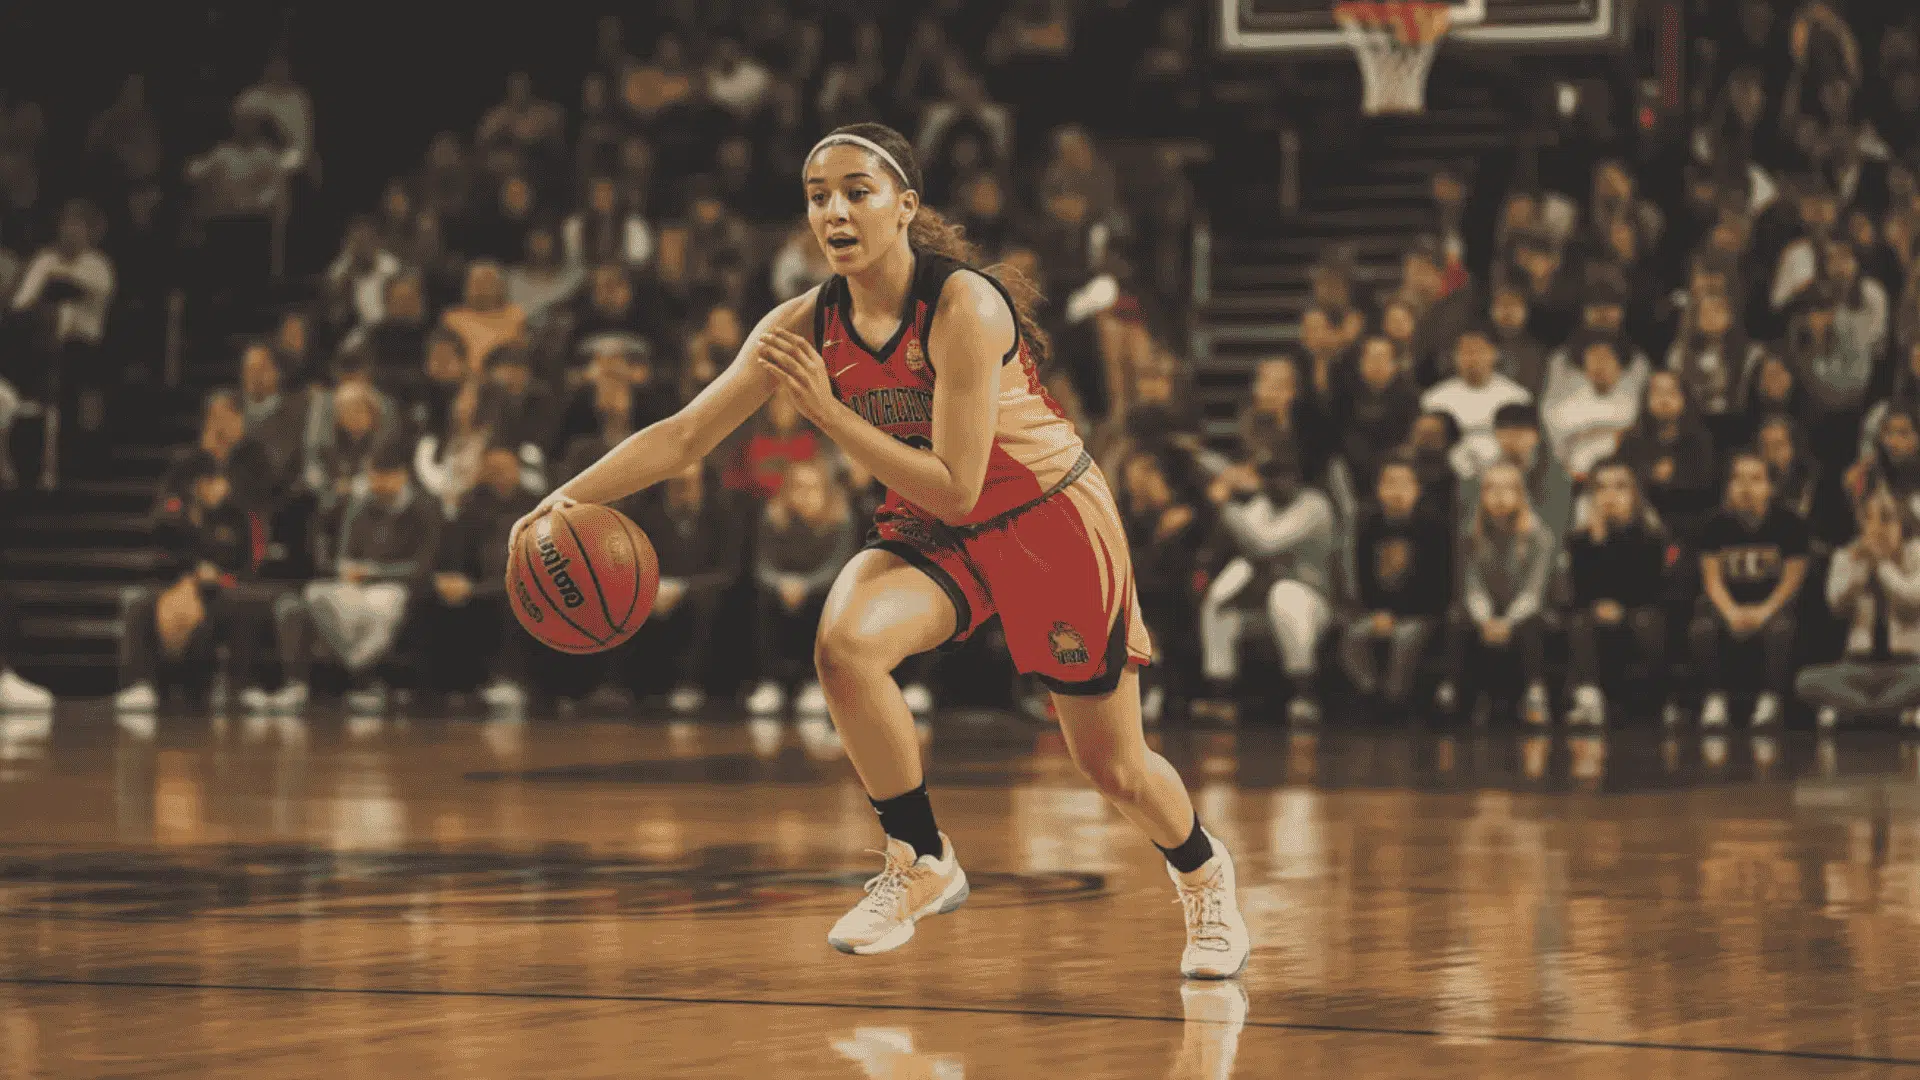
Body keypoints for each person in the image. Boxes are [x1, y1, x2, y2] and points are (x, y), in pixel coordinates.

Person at [508, 123, 1249, 978]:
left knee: (1112, 767)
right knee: (845, 646)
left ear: (906, 206)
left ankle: (1202, 872)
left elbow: (961, 486)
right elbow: (683, 437)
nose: (835, 210)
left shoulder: (965, 306)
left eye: (856, 191)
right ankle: (921, 856)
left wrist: (827, 414)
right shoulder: (802, 323)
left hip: (1047, 519)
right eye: (818, 195)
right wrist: (563, 499)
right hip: (937, 526)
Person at [273, 436, 442, 711]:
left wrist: (374, 572)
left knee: (379, 606)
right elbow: (345, 555)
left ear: (401, 476)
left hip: (397, 586)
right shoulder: (360, 505)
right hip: (356, 585)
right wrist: (347, 569)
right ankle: (300, 685)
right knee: (305, 600)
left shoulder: (424, 509)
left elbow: (423, 566)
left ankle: (365, 679)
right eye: (372, 476)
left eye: (383, 477)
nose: (376, 484)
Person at [1191, 451, 1337, 727]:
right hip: (1263, 602)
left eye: (1283, 475)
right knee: (1219, 596)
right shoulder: (1261, 504)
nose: (1276, 482)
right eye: (1269, 475)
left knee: (1285, 595)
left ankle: (1305, 696)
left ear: (1297, 477)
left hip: (1312, 601)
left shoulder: (1315, 505)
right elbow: (1245, 546)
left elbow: (1264, 544)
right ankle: (1221, 694)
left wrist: (1227, 505)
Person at [1690, 452, 1809, 729]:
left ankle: (1771, 700)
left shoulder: (1790, 524)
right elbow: (1712, 580)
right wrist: (1731, 613)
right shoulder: (1714, 525)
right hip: (1729, 604)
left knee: (1781, 628)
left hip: (1774, 605)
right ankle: (1714, 698)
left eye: (1755, 479)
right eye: (1738, 479)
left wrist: (1763, 612)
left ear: (1771, 487)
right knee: (1702, 627)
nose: (1745, 487)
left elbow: (1792, 580)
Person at [1439, 462, 1554, 725]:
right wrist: (1486, 619)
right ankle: (1453, 692)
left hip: (1523, 611)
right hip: (1486, 611)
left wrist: (1507, 622)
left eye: (1508, 488)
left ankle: (1534, 694)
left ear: (1521, 494)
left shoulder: (1539, 535)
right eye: (1491, 488)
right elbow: (1472, 586)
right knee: (1457, 620)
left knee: (1533, 625)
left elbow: (1533, 592)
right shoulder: (1470, 535)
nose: (1500, 496)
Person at [422, 442, 537, 705]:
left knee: (512, 598)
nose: (497, 474)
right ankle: (449, 685)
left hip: (526, 579)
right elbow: (453, 550)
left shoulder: (535, 503)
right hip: (477, 580)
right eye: (491, 469)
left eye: (504, 468)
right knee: (432, 596)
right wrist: (452, 578)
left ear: (517, 470)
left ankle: (509, 679)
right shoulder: (471, 502)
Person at [1797, 487, 1920, 728]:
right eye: (1870, 520)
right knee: (1805, 681)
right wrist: (1862, 569)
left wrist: (1882, 565)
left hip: (1908, 663)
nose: (1879, 529)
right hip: (1858, 665)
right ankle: (1894, 716)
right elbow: (1836, 605)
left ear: (1902, 524)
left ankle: (1851, 714)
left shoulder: (1917, 554)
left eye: (1887, 519)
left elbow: (1912, 599)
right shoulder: (1847, 556)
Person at [1563, 459, 1670, 726]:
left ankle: (1652, 700)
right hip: (1595, 612)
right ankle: (1588, 699)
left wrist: (1621, 606)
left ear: (1635, 495)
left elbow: (1651, 587)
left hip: (1639, 609)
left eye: (1620, 487)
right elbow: (1579, 592)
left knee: (1647, 622)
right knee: (1580, 622)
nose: (1610, 496)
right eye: (1601, 488)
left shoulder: (1651, 535)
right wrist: (1597, 542)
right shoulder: (1580, 540)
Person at [748, 456, 857, 718]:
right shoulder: (774, 517)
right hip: (781, 590)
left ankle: (815, 683)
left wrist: (804, 585)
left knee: (828, 603)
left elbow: (838, 566)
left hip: (821, 590)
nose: (804, 495)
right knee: (762, 600)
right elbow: (762, 566)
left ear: (825, 490)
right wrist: (783, 584)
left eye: (812, 488)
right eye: (797, 487)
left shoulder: (841, 518)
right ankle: (770, 682)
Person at [1340, 452, 1451, 709]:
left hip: (1421, 612)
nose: (1396, 491)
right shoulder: (1368, 526)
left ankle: (1395, 699)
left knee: (1405, 638)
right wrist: (1376, 611)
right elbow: (1363, 577)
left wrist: (1399, 613)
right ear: (1378, 489)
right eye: (1389, 483)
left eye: (1404, 484)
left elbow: (1437, 582)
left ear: (1417, 490)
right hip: (1378, 610)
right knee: (1354, 635)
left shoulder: (1433, 527)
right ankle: (1368, 692)